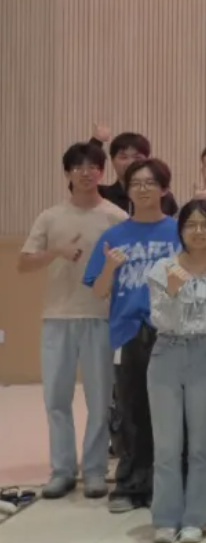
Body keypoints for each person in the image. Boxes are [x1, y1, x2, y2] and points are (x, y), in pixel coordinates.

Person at [19, 142, 128, 501]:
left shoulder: (116, 217)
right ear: (67, 173)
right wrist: (57, 252)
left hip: (100, 317)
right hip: (58, 317)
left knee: (99, 400)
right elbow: (24, 263)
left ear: (102, 172)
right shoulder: (50, 217)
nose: (86, 172)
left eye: (93, 166)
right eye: (78, 167)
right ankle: (62, 470)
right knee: (56, 397)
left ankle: (95, 470)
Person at [82, 157, 181, 514]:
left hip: (170, 331)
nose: (142, 189)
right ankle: (130, 485)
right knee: (131, 410)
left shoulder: (179, 232)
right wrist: (110, 267)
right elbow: (99, 291)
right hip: (128, 332)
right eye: (135, 183)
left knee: (169, 411)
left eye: (150, 182)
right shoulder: (114, 236)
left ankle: (165, 484)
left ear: (164, 189)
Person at [146, 199, 206, 543]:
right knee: (167, 444)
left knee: (201, 443)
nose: (199, 231)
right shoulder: (162, 268)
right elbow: (160, 319)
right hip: (166, 352)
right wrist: (172, 290)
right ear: (180, 230)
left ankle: (197, 517)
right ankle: (166, 518)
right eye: (191, 224)